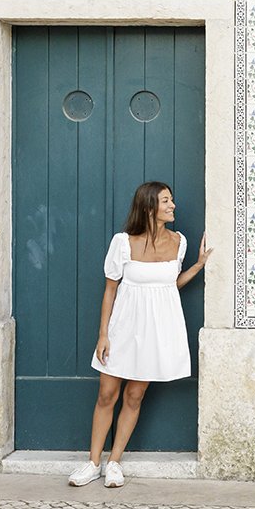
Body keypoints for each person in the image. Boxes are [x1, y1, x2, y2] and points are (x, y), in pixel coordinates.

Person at [68, 181, 210, 488]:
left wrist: (197, 266)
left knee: (135, 395)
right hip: (123, 327)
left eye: (172, 200)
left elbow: (167, 286)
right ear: (149, 208)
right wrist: (103, 335)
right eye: (166, 201)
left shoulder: (179, 241)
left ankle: (114, 462)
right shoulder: (123, 242)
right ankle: (93, 463)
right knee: (107, 394)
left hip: (155, 330)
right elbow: (110, 291)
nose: (173, 206)